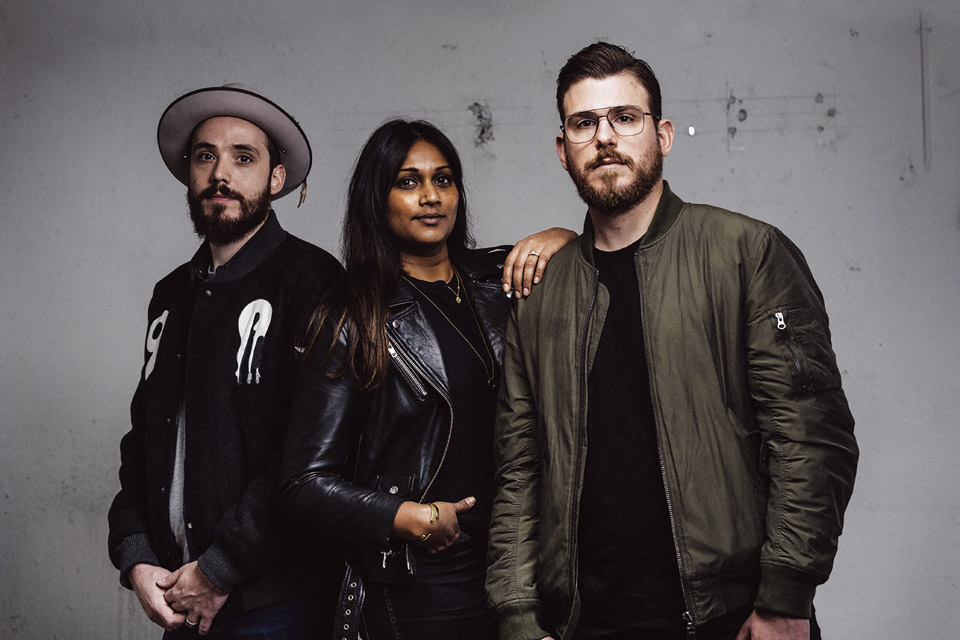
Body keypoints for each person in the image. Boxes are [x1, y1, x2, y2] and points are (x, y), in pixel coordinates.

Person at [486, 42, 859, 640]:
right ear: (562, 150)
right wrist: (516, 614)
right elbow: (519, 469)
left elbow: (810, 438)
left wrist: (786, 597)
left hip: (731, 616)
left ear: (662, 136)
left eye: (624, 118)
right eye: (584, 123)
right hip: (585, 623)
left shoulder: (747, 252)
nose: (605, 138)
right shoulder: (541, 293)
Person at [279, 119, 575, 640]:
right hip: (424, 580)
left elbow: (593, 263)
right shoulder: (352, 318)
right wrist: (406, 516)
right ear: (377, 199)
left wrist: (565, 239)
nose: (431, 196)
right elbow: (303, 485)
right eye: (408, 182)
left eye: (443, 179)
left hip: (518, 564)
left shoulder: (498, 280)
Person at [107, 84, 343, 637]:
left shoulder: (313, 281)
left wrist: (219, 569)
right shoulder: (171, 294)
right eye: (205, 156)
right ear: (189, 174)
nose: (220, 174)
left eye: (243, 158)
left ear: (276, 179)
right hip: (180, 599)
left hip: (277, 605)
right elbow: (144, 439)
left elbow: (311, 452)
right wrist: (136, 555)